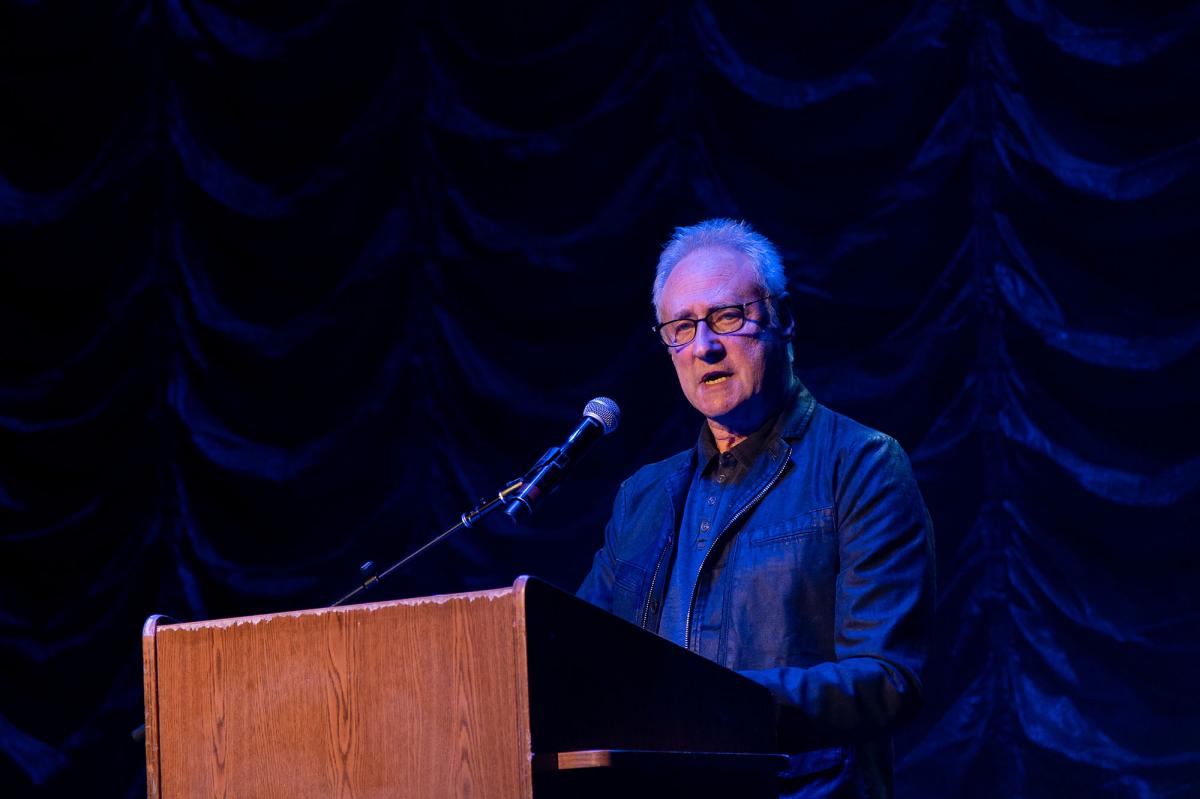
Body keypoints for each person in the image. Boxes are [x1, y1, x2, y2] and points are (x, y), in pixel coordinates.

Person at [577, 219, 936, 798]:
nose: (704, 346)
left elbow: (887, 680)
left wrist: (717, 703)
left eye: (726, 317)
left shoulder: (861, 465)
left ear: (783, 319)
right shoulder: (642, 497)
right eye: (681, 327)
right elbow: (577, 658)